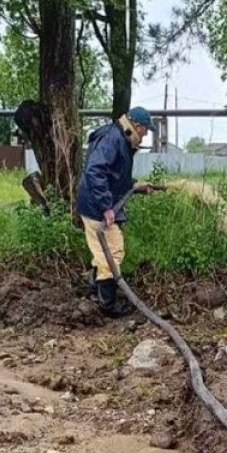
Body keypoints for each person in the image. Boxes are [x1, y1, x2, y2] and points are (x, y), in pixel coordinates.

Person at [76, 106, 161, 318]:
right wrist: (106, 206)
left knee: (102, 251)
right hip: (95, 207)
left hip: (94, 204)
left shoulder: (118, 138)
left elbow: (115, 176)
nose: (145, 135)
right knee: (113, 251)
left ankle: (96, 291)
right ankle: (108, 304)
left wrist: (136, 186)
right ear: (137, 127)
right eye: (145, 131)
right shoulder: (112, 139)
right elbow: (95, 171)